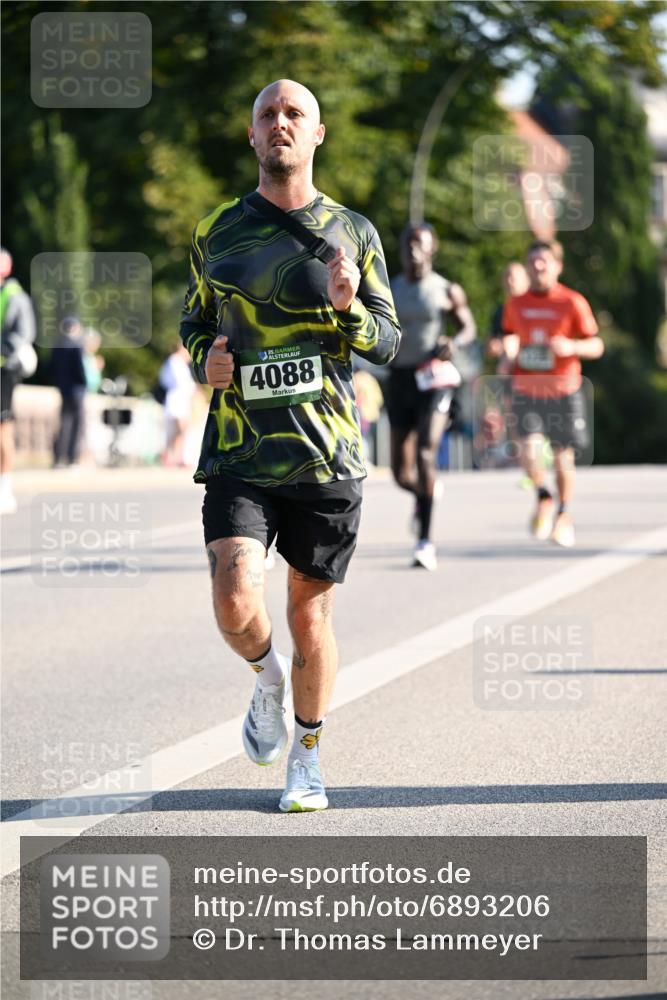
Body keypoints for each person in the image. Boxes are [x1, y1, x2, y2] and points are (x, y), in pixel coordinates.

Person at [179, 79, 400, 812]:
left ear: (316, 134)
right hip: (242, 448)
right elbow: (193, 324)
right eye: (267, 114)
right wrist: (200, 360)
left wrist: (348, 311)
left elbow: (388, 340)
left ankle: (306, 757)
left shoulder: (352, 233)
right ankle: (266, 679)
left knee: (311, 616)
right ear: (251, 136)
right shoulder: (215, 230)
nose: (280, 123)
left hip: (325, 453)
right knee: (233, 599)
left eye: (294, 114)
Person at [502, 240, 604, 547]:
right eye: (533, 262)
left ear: (558, 267)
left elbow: (596, 344)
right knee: (530, 453)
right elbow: (508, 335)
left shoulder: (572, 301)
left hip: (563, 389)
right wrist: (507, 351)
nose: (538, 267)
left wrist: (571, 347)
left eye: (544, 262)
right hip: (527, 388)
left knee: (563, 459)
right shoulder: (515, 304)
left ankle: (563, 513)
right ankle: (543, 496)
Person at [388, 223, 476, 570]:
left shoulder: (446, 290)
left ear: (431, 249)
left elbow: (467, 326)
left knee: (426, 451)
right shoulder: (390, 287)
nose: (413, 251)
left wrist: (453, 342)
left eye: (420, 245)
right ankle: (425, 493)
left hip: (434, 378)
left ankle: (425, 542)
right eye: (407, 245)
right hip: (400, 378)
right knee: (400, 472)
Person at [0, 247, 36, 514]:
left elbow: (25, 333)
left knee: (3, 426)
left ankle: (4, 487)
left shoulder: (16, 297)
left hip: (4, 369)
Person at [51, 316, 87, 468]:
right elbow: (80, 370)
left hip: (63, 388)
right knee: (76, 424)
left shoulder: (57, 346)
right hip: (76, 390)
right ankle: (72, 458)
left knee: (64, 423)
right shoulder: (76, 346)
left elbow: (50, 368)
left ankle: (58, 458)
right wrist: (84, 382)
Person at [159, 342, 196, 466]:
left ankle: (177, 456)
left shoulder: (180, 364)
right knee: (179, 429)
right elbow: (179, 383)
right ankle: (171, 456)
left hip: (182, 399)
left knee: (180, 430)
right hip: (177, 399)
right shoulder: (174, 361)